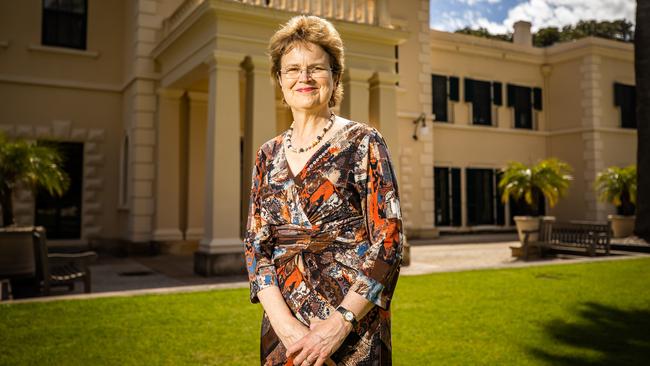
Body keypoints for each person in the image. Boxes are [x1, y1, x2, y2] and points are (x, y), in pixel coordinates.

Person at [244, 15, 403, 366]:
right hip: (284, 330)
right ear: (280, 80)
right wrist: (286, 328)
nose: (304, 77)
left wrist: (339, 324)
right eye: (292, 69)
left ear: (335, 77)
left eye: (316, 68)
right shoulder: (266, 155)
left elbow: (389, 239)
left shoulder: (364, 142)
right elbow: (256, 247)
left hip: (353, 329)